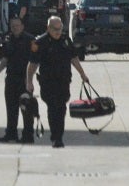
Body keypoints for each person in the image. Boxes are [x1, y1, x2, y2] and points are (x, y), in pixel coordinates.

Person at [26, 15, 90, 148]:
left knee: (61, 109)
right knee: (53, 107)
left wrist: (82, 74)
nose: (58, 31)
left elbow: (73, 58)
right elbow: (32, 64)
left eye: (60, 28)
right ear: (48, 28)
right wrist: (29, 81)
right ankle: (56, 136)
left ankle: (58, 135)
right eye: (55, 29)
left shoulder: (65, 40)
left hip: (63, 81)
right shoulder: (40, 43)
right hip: (48, 82)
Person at [0, 16, 34, 143]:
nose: (15, 28)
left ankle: (28, 136)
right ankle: (11, 133)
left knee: (26, 109)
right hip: (11, 79)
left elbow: (35, 61)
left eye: (17, 25)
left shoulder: (30, 40)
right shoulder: (10, 39)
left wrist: (29, 80)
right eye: (12, 26)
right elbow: (5, 59)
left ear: (22, 26)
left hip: (24, 80)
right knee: (11, 108)